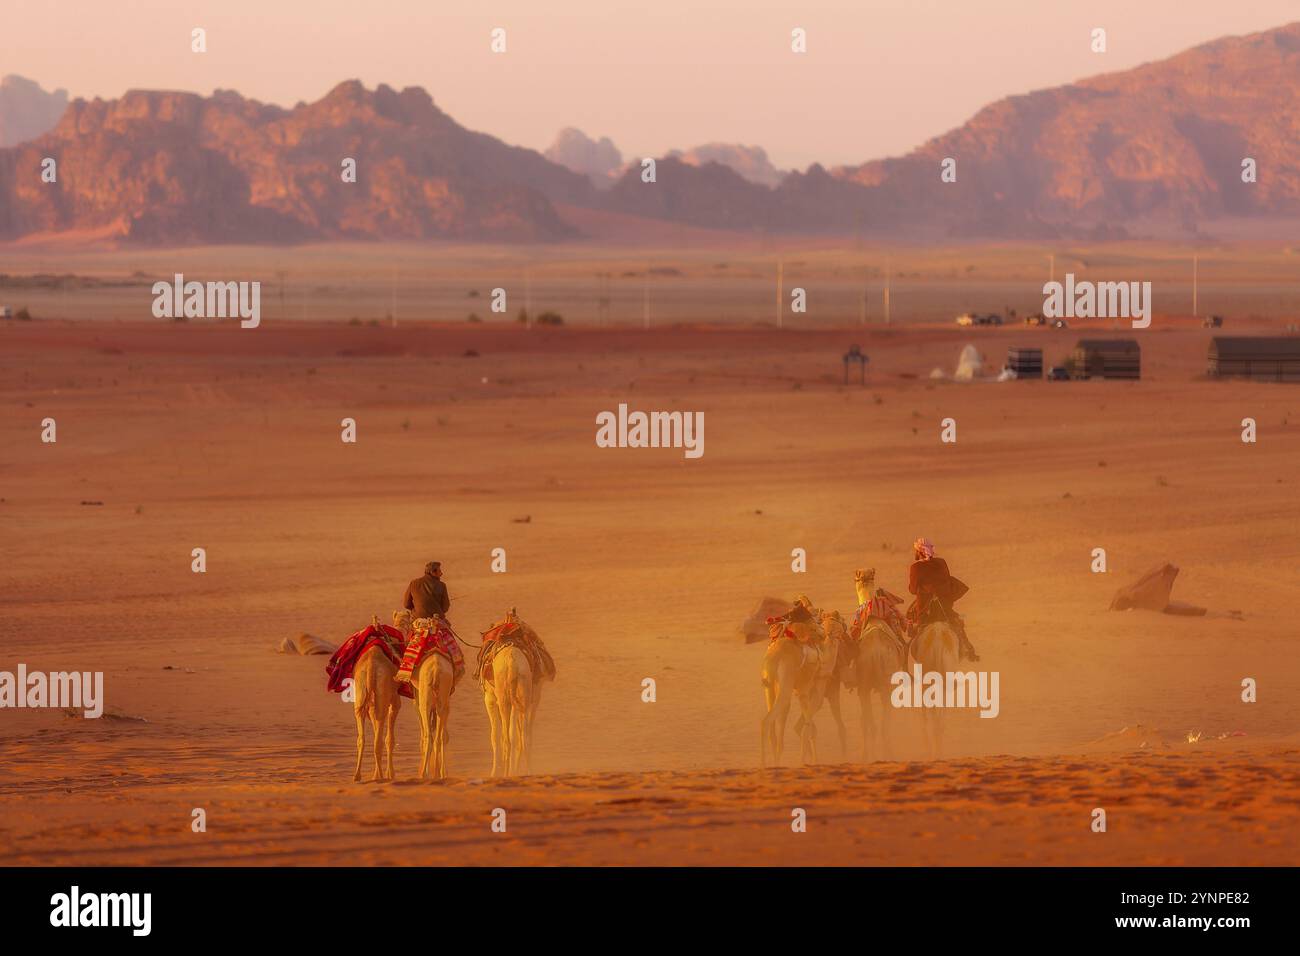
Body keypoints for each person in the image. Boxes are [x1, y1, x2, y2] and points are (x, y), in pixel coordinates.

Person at [906, 537, 980, 661]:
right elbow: (947, 579)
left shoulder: (915, 567)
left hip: (925, 608)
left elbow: (913, 590)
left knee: (916, 628)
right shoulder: (941, 562)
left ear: (918, 552)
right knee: (957, 625)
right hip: (943, 605)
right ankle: (968, 649)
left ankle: (905, 659)